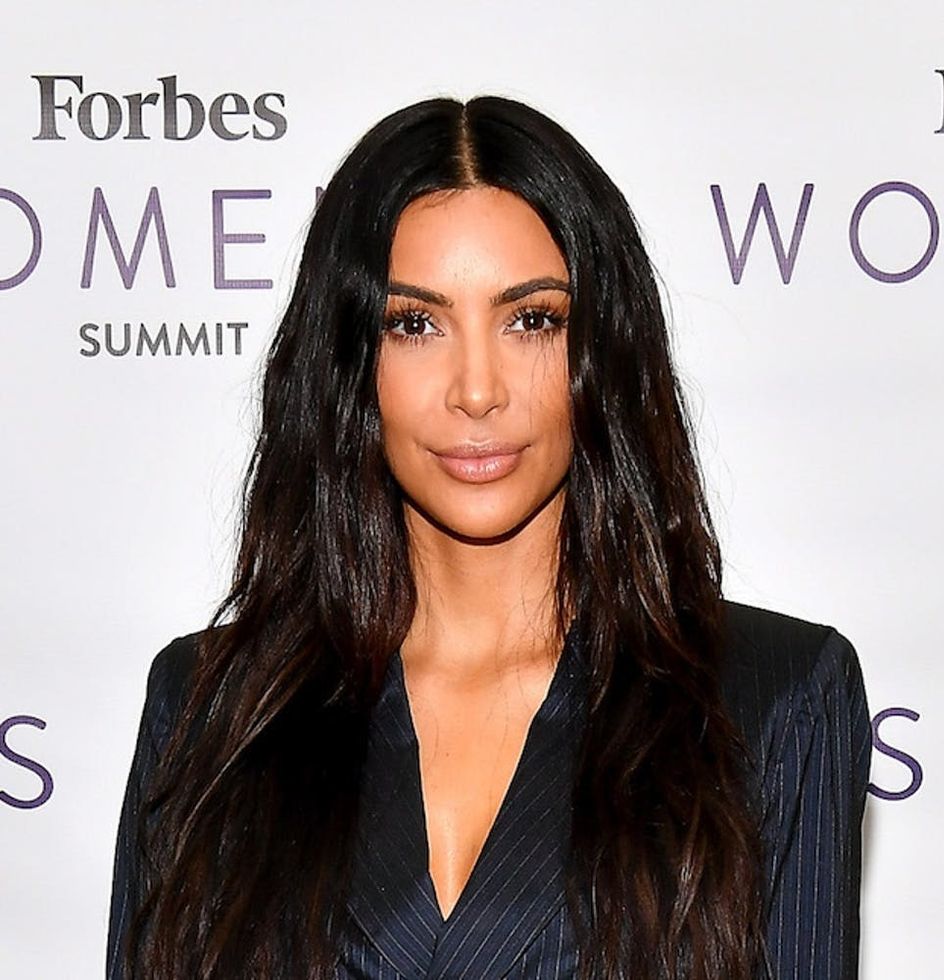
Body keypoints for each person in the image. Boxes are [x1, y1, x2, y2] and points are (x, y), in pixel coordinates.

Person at [106, 96, 871, 980]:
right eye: (414, 324)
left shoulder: (774, 698)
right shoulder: (211, 710)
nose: (477, 390)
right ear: (351, 366)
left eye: (531, 319)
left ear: (604, 351)